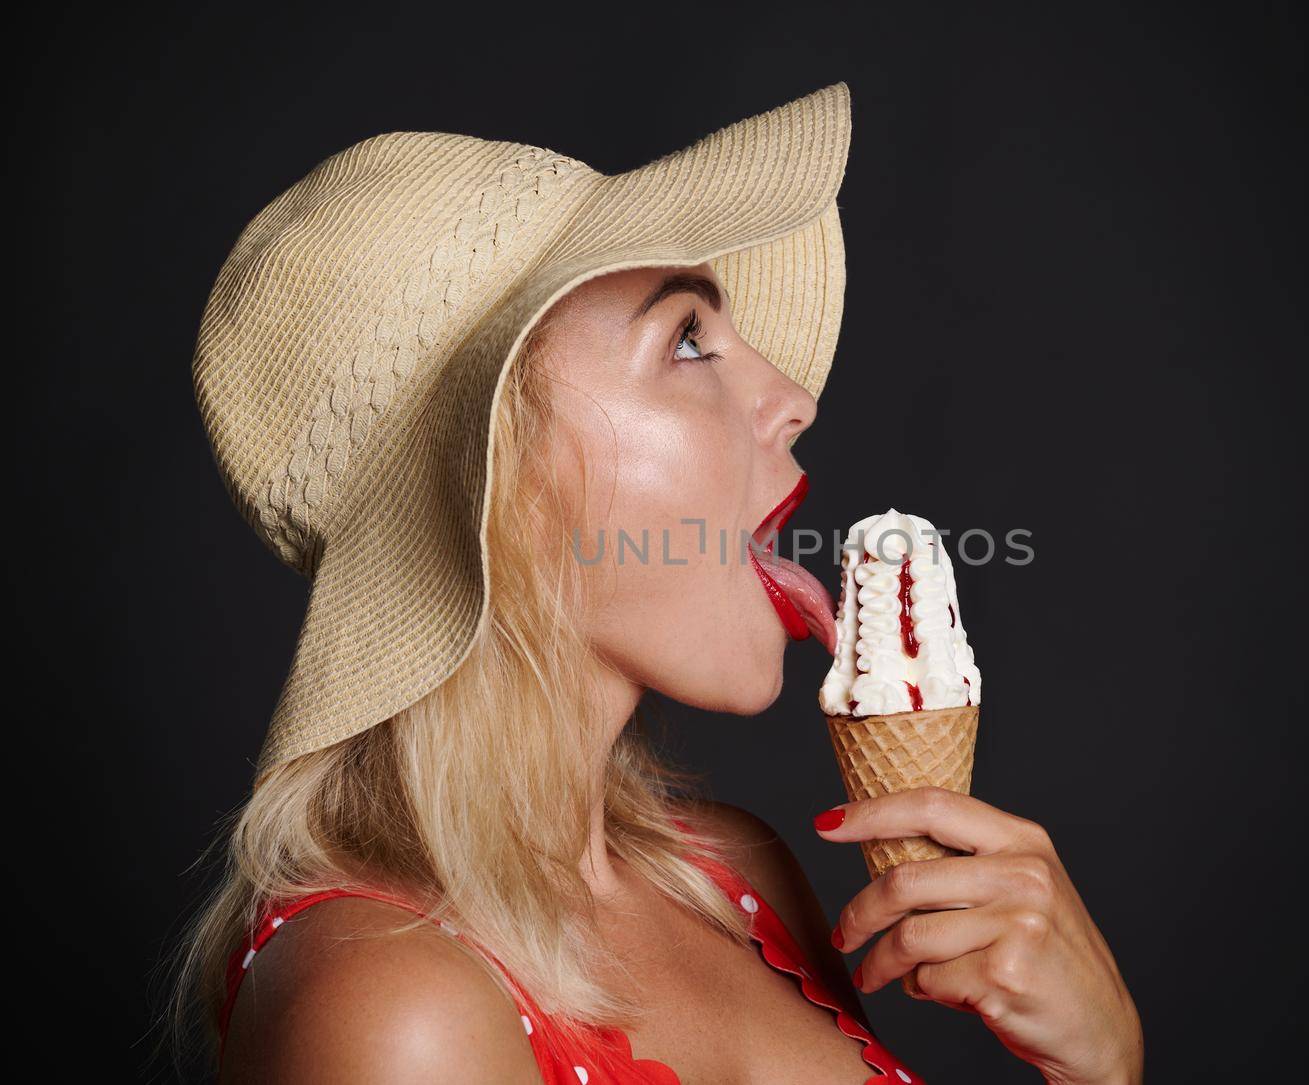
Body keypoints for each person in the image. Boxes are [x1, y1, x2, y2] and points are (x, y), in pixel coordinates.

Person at [166, 83, 1143, 1084]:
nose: (792, 399)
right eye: (684, 339)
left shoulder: (732, 875)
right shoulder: (392, 1011)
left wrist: (1096, 1070)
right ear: (501, 483)